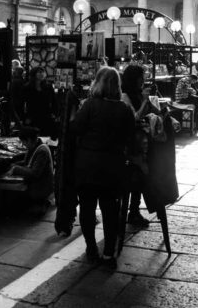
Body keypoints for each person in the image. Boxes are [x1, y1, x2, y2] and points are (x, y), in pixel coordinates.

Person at [70, 67, 135, 269]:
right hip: (112, 167)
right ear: (117, 85)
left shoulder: (89, 105)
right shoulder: (124, 109)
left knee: (87, 209)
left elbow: (75, 129)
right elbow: (130, 139)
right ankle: (108, 254)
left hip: (87, 164)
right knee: (110, 210)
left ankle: (91, 248)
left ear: (97, 83)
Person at [120, 64, 161, 226]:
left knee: (141, 179)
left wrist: (152, 101)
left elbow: (149, 114)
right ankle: (128, 211)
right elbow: (134, 117)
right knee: (134, 178)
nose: (143, 81)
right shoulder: (124, 96)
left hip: (143, 143)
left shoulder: (138, 94)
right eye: (140, 78)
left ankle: (134, 210)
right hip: (131, 145)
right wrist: (145, 101)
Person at [8, 126, 54, 215]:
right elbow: (26, 162)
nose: (23, 145)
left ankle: (41, 203)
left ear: (28, 140)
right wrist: (13, 164)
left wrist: (15, 169)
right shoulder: (34, 147)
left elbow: (34, 173)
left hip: (42, 187)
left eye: (23, 142)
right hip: (38, 184)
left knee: (14, 203)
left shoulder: (42, 150)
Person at [22, 67, 59, 138]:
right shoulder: (27, 87)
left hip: (46, 116)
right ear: (34, 74)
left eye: (43, 72)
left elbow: (54, 101)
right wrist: (25, 117)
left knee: (47, 137)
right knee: (34, 137)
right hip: (32, 116)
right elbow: (22, 103)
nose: (42, 74)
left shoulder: (48, 86)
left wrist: (55, 114)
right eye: (39, 72)